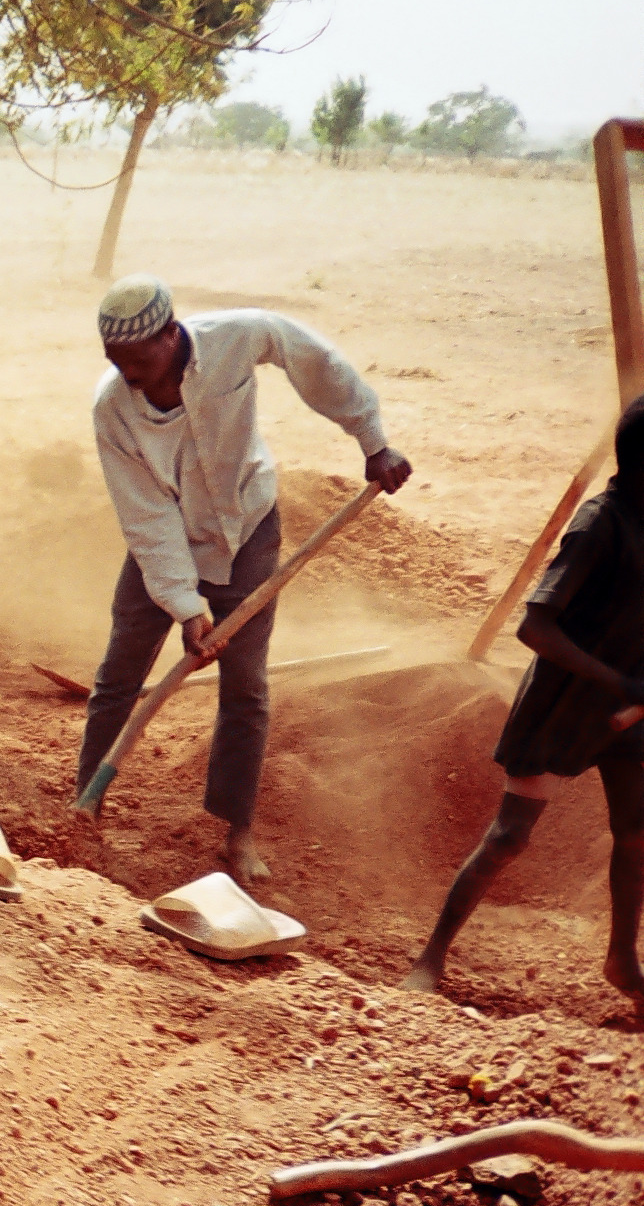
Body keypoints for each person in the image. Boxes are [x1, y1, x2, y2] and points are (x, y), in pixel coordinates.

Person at [76, 274, 413, 882]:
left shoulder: (237, 336)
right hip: (167, 537)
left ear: (171, 335)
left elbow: (311, 359)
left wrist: (372, 440)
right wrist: (185, 607)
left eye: (136, 357)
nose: (126, 370)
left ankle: (236, 831)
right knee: (121, 671)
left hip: (247, 527)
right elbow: (146, 516)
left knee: (246, 687)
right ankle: (86, 803)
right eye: (114, 359)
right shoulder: (112, 408)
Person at [405, 396, 644, 1007]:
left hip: (628, 709)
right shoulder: (599, 524)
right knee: (511, 835)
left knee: (637, 834)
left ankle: (622, 959)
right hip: (562, 704)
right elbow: (535, 628)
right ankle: (432, 955)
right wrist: (617, 683)